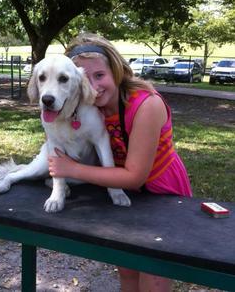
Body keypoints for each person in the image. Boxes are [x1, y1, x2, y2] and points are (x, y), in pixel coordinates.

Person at [48, 33, 192, 292]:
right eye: (84, 78)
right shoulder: (89, 105)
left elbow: (135, 175)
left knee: (153, 276)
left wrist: (72, 169)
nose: (92, 86)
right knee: (127, 267)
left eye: (100, 75)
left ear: (117, 71)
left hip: (162, 193)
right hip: (126, 193)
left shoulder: (146, 105)